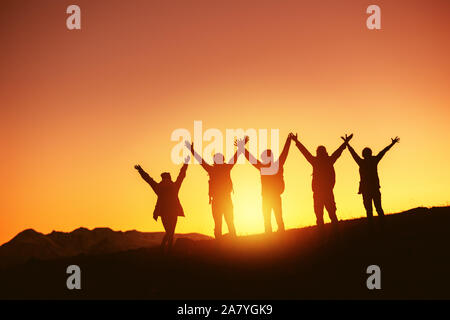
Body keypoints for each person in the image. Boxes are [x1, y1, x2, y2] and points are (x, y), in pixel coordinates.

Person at [291, 133, 353, 228]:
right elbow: (338, 151)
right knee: (328, 216)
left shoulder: (317, 161)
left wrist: (297, 142)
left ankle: (328, 237)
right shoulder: (328, 160)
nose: (319, 153)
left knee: (324, 217)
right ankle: (334, 236)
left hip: (322, 193)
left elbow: (305, 153)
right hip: (324, 193)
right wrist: (346, 142)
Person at [185, 140, 245, 239]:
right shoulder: (226, 167)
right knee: (229, 223)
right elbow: (236, 156)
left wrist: (192, 150)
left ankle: (219, 244)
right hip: (225, 200)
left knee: (219, 224)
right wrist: (241, 146)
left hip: (218, 201)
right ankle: (233, 244)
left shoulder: (212, 170)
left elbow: (201, 161)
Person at [134, 156, 189, 252]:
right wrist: (186, 163)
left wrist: (140, 170)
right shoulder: (174, 187)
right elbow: (181, 175)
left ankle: (164, 250)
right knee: (171, 232)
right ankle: (166, 250)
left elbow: (148, 179)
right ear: (169, 177)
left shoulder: (159, 188)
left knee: (169, 232)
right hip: (173, 212)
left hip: (163, 213)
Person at [240, 134, 292, 233]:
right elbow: (285, 152)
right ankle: (279, 236)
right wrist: (289, 140)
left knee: (269, 219)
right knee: (276, 218)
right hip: (272, 196)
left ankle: (272, 237)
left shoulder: (263, 166)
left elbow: (251, 158)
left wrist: (242, 147)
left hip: (268, 197)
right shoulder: (276, 165)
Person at [346, 136, 400, 219]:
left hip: (367, 190)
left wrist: (347, 143)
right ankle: (381, 227)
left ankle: (373, 229)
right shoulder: (373, 160)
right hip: (373, 189)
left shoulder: (362, 162)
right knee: (378, 209)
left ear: (363, 154)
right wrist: (392, 144)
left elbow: (353, 153)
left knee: (370, 211)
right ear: (370, 153)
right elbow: (384, 151)